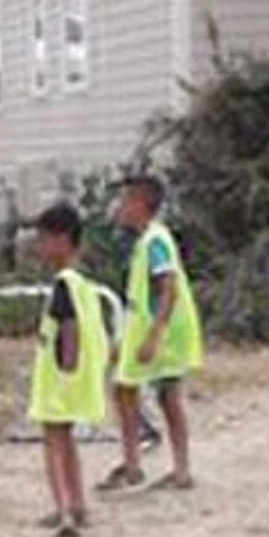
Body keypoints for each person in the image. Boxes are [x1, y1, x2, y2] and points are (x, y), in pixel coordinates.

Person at [103, 173, 201, 492]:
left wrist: (156, 334)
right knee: (128, 390)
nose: (120, 207)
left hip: (164, 333)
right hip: (147, 329)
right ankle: (136, 463)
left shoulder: (155, 241)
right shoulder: (147, 240)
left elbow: (168, 287)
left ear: (140, 204)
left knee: (164, 394)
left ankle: (177, 468)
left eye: (125, 200)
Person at [28, 202, 112, 537]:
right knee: (67, 442)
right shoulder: (83, 283)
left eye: (43, 239)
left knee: (53, 442)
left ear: (62, 240)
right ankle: (78, 504)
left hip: (59, 378)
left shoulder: (64, 284)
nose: (39, 247)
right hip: (76, 378)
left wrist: (67, 367)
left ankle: (63, 510)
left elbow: (69, 327)